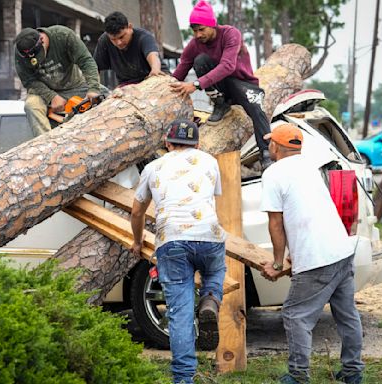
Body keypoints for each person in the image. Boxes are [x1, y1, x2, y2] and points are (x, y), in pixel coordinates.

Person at [259, 123, 364, 384]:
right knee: (347, 315)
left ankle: (298, 375)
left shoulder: (273, 173)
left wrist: (277, 261)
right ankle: (353, 371)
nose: (269, 146)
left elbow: (276, 223)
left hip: (318, 259)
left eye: (270, 142)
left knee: (295, 314)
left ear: (277, 146)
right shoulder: (310, 166)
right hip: (341, 249)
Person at [130, 119, 226, 384]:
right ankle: (210, 299)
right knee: (216, 270)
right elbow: (212, 197)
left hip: (172, 240)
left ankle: (184, 378)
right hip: (209, 234)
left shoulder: (153, 167)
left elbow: (137, 211)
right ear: (197, 143)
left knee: (180, 312)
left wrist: (137, 242)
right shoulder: (210, 161)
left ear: (167, 142)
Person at [169, 0, 272, 169]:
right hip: (222, 89)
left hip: (243, 83)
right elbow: (180, 71)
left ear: (213, 25)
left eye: (201, 29)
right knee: (200, 60)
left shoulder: (231, 34)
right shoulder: (195, 45)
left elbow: (227, 66)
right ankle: (220, 104)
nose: (197, 35)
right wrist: (165, 85)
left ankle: (266, 153)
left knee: (257, 110)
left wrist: (195, 84)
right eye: (194, 31)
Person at [14, 26, 102, 135]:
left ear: (41, 40)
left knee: (105, 96)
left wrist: (93, 88)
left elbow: (86, 61)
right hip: (43, 91)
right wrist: (51, 97)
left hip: (74, 86)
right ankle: (46, 145)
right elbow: (29, 81)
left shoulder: (63, 36)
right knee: (31, 105)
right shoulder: (20, 53)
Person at [93, 11, 168, 87]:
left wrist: (155, 69)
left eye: (121, 37)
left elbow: (152, 55)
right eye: (113, 39)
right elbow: (94, 68)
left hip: (155, 78)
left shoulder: (144, 36)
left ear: (130, 27)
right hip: (127, 85)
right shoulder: (104, 40)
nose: (118, 43)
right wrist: (94, 88)